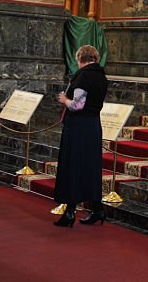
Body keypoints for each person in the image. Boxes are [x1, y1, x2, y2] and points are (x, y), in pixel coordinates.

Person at [53, 45, 108, 227]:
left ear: (80, 59)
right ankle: (98, 209)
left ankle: (69, 213)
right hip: (93, 126)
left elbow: (77, 105)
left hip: (79, 127)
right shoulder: (101, 76)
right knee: (90, 168)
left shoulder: (84, 76)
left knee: (73, 166)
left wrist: (64, 100)